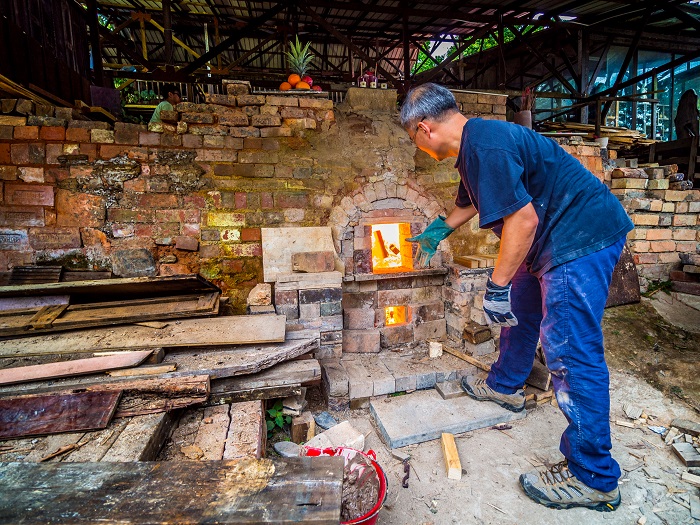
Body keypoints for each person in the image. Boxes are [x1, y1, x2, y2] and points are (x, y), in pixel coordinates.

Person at [402, 83, 633, 512]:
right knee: (523, 308)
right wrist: (436, 232)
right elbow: (470, 204)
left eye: (412, 137)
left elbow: (522, 221)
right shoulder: (476, 145)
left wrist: (496, 283)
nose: (415, 144)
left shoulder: (485, 147)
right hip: (556, 235)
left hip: (577, 239)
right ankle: (506, 385)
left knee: (569, 349)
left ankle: (594, 477)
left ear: (424, 129)